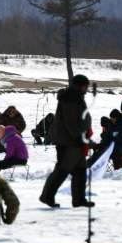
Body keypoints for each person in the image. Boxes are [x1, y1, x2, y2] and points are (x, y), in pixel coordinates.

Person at [40, 74, 92, 208]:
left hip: (74, 140)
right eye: (86, 86)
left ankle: (79, 200)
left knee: (80, 170)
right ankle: (47, 196)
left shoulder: (75, 97)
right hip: (69, 141)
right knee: (62, 170)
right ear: (80, 86)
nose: (87, 89)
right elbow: (71, 122)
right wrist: (79, 137)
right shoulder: (71, 98)